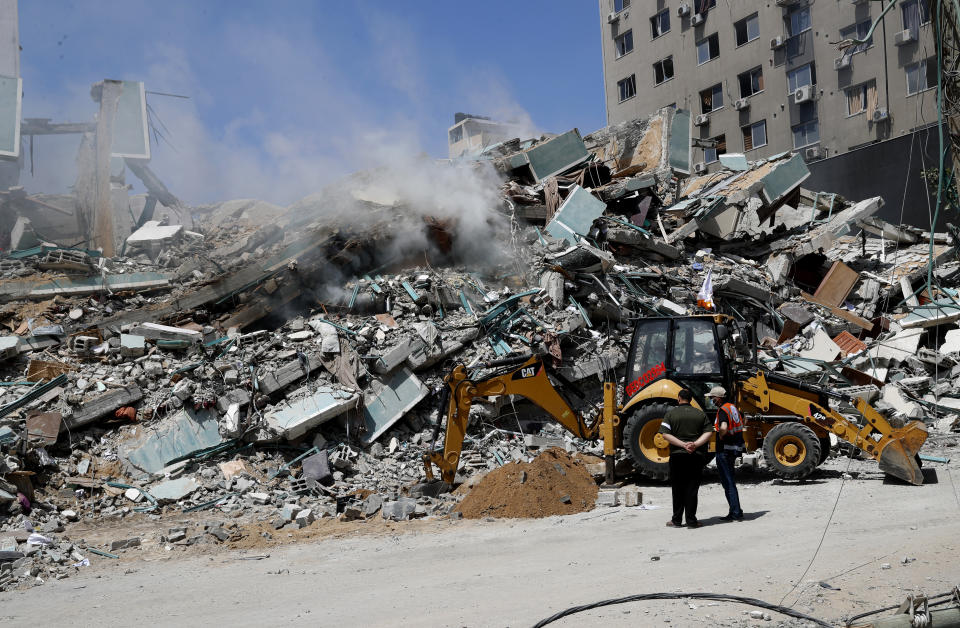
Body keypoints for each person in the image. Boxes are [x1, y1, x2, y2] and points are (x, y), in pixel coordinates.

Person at [659, 389, 714, 528]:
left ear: (678, 399)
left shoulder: (670, 414)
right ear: (691, 399)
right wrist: (694, 444)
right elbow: (709, 432)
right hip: (695, 456)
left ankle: (676, 520)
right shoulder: (700, 414)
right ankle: (691, 521)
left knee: (677, 488)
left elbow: (665, 435)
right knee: (692, 489)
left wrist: (683, 445)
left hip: (677, 456)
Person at [707, 386, 745, 522]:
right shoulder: (732, 407)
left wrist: (721, 436)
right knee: (730, 481)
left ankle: (735, 513)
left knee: (728, 483)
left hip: (724, 450)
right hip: (733, 448)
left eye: (712, 398)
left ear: (718, 398)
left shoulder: (723, 410)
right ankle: (736, 511)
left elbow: (723, 427)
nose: (711, 400)